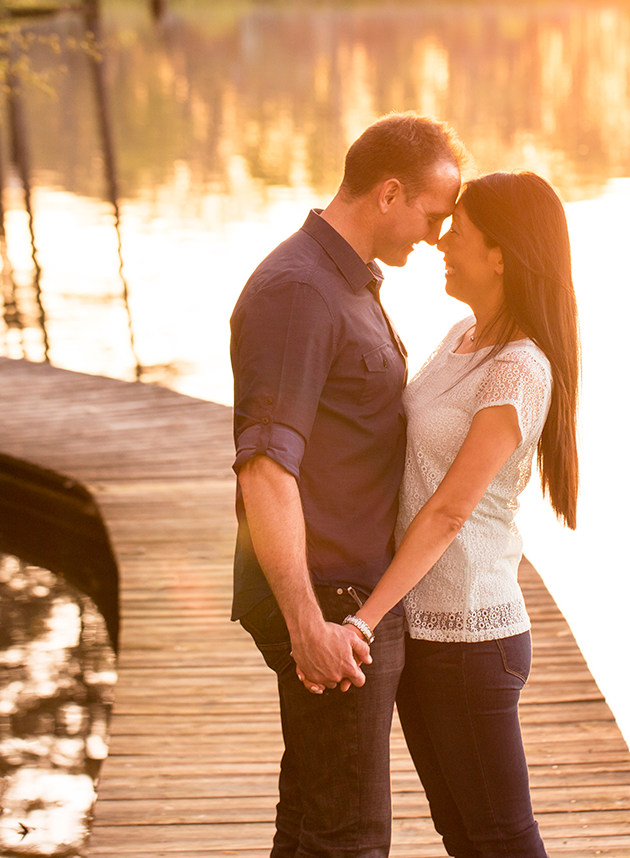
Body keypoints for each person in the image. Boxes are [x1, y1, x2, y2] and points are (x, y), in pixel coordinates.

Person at [228, 112, 466, 858]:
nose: (436, 237)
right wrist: (309, 627)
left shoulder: (347, 281)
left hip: (348, 591)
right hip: (328, 598)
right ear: (390, 194)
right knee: (348, 838)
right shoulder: (300, 291)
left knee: (315, 824)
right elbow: (265, 468)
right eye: (434, 214)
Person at [334, 171, 581, 858]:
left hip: (474, 637)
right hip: (426, 632)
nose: (441, 241)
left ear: (501, 252)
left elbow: (448, 512)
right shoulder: (460, 337)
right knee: (463, 835)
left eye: (459, 231)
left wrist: (364, 617)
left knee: (501, 837)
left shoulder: (520, 369)